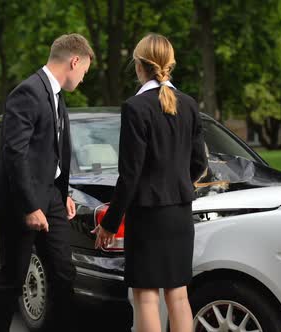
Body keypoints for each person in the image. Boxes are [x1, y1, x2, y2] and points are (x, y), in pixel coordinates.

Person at [0, 33, 94, 332]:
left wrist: (62, 193)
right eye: (84, 72)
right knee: (12, 280)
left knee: (63, 274)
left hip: (51, 196)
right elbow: (15, 153)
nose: (82, 79)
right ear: (74, 60)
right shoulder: (27, 92)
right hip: (20, 200)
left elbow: (52, 152)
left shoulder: (57, 96)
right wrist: (29, 207)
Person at [93, 33, 208, 332]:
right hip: (180, 214)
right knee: (179, 295)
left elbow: (130, 175)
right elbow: (199, 164)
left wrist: (109, 222)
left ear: (139, 66)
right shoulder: (190, 104)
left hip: (148, 217)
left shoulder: (135, 107)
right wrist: (178, 183)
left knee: (145, 297)